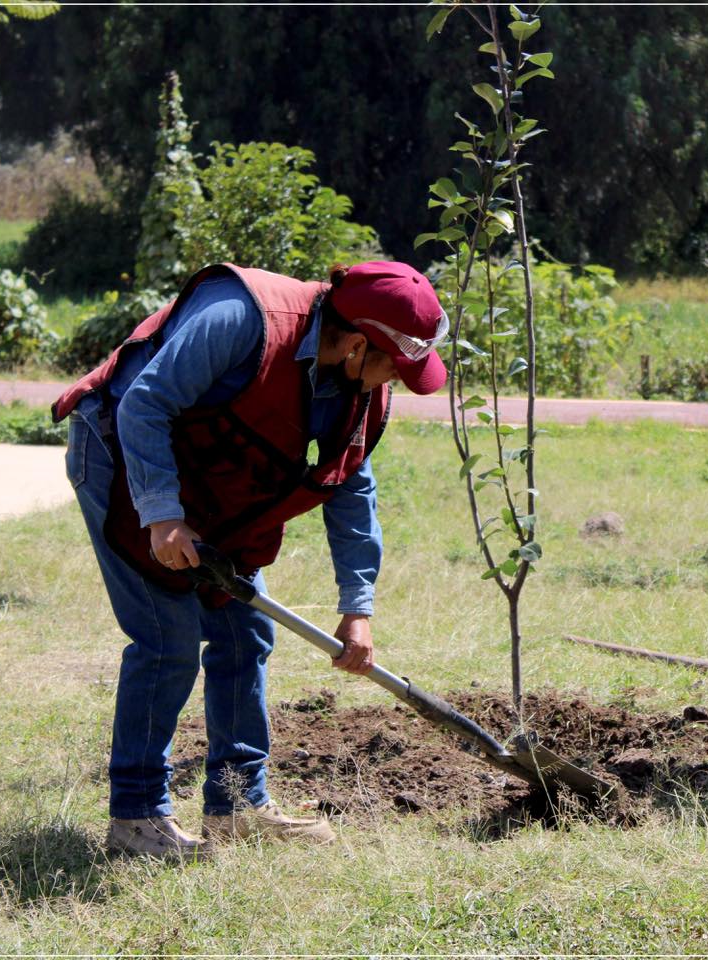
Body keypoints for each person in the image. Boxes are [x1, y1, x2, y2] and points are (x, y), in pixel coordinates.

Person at [53, 260, 448, 857]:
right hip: (120, 451)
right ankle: (136, 818)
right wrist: (162, 514)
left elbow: (349, 484)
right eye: (396, 363)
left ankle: (237, 804)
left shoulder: (358, 387)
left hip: (212, 477)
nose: (395, 379)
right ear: (359, 344)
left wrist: (357, 607)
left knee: (245, 631)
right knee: (169, 638)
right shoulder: (242, 319)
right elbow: (143, 405)